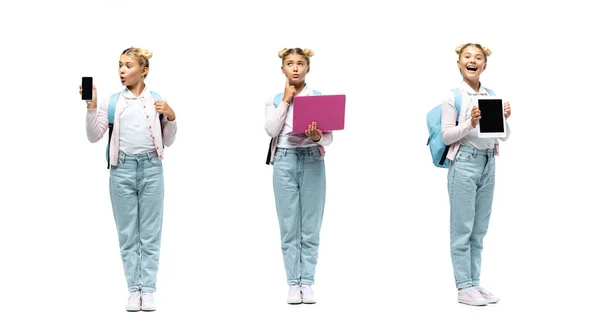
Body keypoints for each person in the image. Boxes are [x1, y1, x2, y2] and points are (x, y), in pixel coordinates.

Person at [80, 47, 177, 311]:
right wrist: (91, 107)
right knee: (127, 233)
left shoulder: (156, 100)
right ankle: (134, 290)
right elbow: (94, 135)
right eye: (120, 65)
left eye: (128, 66)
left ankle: (150, 289)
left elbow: (168, 140)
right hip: (121, 171)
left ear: (143, 70)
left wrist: (171, 115)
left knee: (150, 233)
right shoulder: (113, 102)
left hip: (152, 169)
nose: (122, 71)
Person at [441, 43, 511, 306]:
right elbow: (447, 135)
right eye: (467, 57)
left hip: (489, 162)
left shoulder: (491, 95)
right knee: (462, 227)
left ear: (484, 64)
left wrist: (504, 119)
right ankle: (463, 287)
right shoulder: (453, 97)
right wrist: (469, 122)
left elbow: (503, 136)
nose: (472, 61)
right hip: (464, 162)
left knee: (479, 229)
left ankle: (475, 283)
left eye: (478, 57)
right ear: (459, 63)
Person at [264, 48, 332, 304]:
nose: (295, 68)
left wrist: (318, 137)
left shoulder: (317, 97)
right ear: (282, 68)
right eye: (290, 64)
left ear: (308, 68)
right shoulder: (273, 99)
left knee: (311, 225)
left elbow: (329, 136)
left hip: (312, 160)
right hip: (284, 160)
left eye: (300, 63)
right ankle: (293, 283)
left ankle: (308, 282)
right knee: (289, 224)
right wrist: (285, 100)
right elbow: (270, 130)